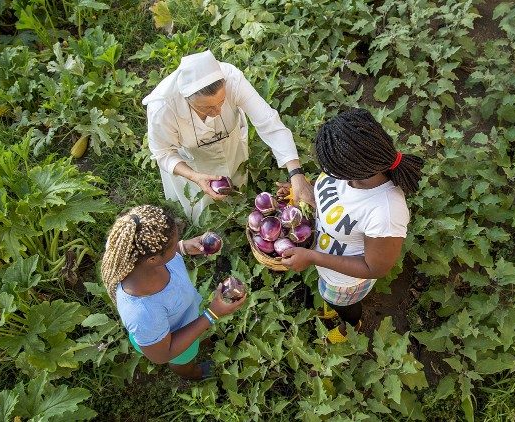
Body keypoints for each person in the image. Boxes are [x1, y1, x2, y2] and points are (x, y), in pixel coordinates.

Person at [280, 108, 424, 343]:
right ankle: (332, 306)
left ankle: (351, 327)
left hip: (345, 282)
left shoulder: (385, 211)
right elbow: (335, 198)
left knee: (344, 306)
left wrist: (313, 257)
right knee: (329, 297)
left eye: (332, 169)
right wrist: (304, 191)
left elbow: (374, 268)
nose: (327, 173)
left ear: (352, 169)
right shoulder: (347, 169)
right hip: (326, 269)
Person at [142, 50, 315, 222]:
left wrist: (296, 174)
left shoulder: (232, 79)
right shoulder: (162, 107)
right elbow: (163, 153)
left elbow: (269, 123)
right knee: (201, 211)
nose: (217, 112)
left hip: (230, 145)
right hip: (191, 160)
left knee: (237, 185)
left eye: (222, 102)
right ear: (187, 99)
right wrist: (194, 176)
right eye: (207, 108)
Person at [100, 205, 247, 379]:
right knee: (183, 360)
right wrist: (211, 315)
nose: (178, 243)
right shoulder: (143, 313)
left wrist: (182, 247)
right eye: (173, 245)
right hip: (173, 340)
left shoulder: (137, 255)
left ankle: (201, 337)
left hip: (187, 313)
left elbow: (162, 251)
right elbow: (163, 354)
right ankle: (193, 374)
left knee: (198, 335)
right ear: (153, 259)